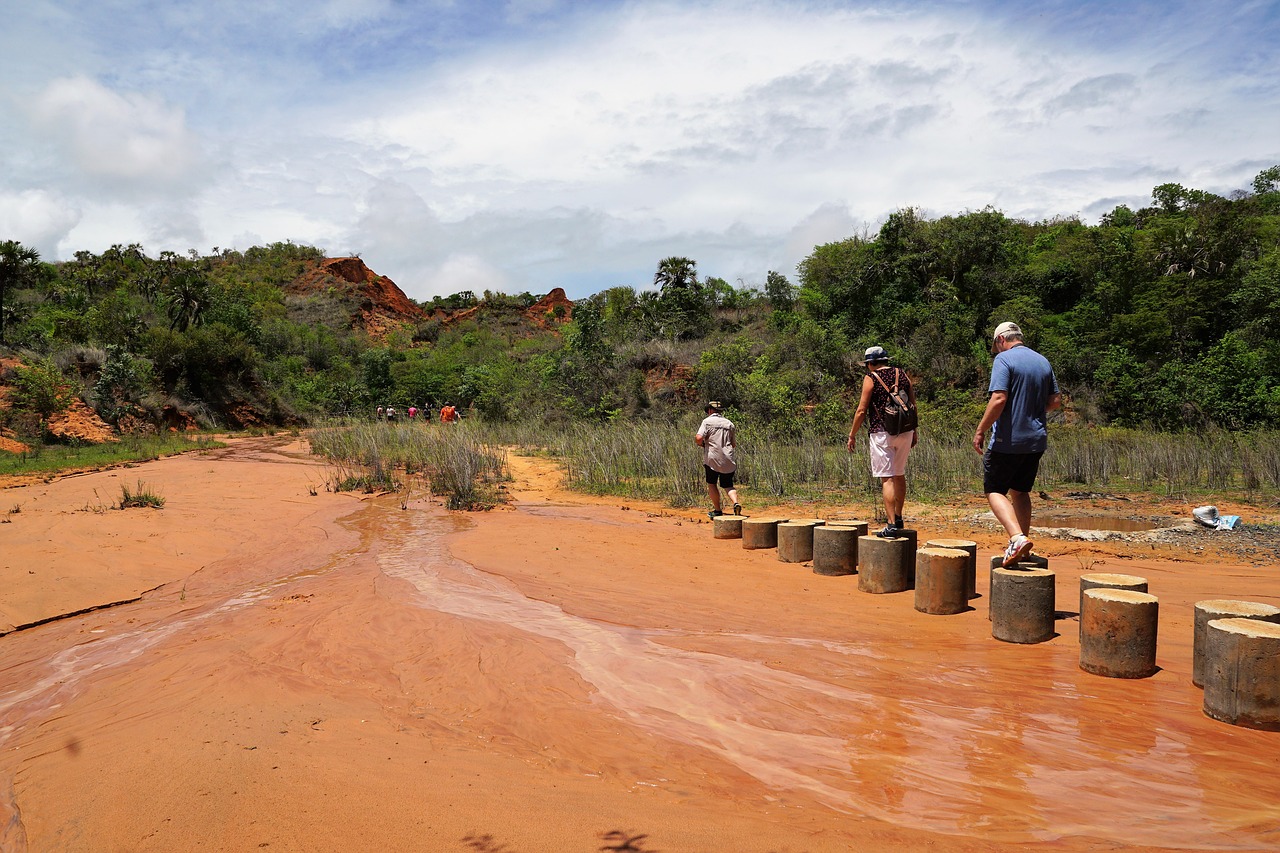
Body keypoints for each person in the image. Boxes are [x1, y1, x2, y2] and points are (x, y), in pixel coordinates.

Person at [973, 321, 1062, 566]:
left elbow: (999, 398)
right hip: (1036, 439)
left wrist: (980, 430)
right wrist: (1033, 409)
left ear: (1001, 340)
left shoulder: (1004, 360)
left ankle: (1016, 537)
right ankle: (1022, 543)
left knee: (994, 489)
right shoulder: (1042, 361)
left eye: (996, 345)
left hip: (1009, 439)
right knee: (1021, 491)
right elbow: (1055, 400)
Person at [846, 345, 918, 538]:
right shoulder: (902, 374)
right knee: (899, 474)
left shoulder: (871, 378)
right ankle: (899, 516)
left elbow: (862, 410)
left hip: (881, 432)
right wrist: (915, 430)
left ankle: (891, 525)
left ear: (870, 363)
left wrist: (852, 434)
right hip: (905, 430)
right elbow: (912, 403)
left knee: (887, 478)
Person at [695, 401, 740, 519]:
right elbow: (733, 444)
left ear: (710, 410)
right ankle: (735, 503)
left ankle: (717, 510)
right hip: (728, 459)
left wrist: (702, 444)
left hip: (712, 459)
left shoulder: (707, 421)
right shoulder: (729, 423)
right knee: (728, 485)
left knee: (712, 484)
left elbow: (698, 437)